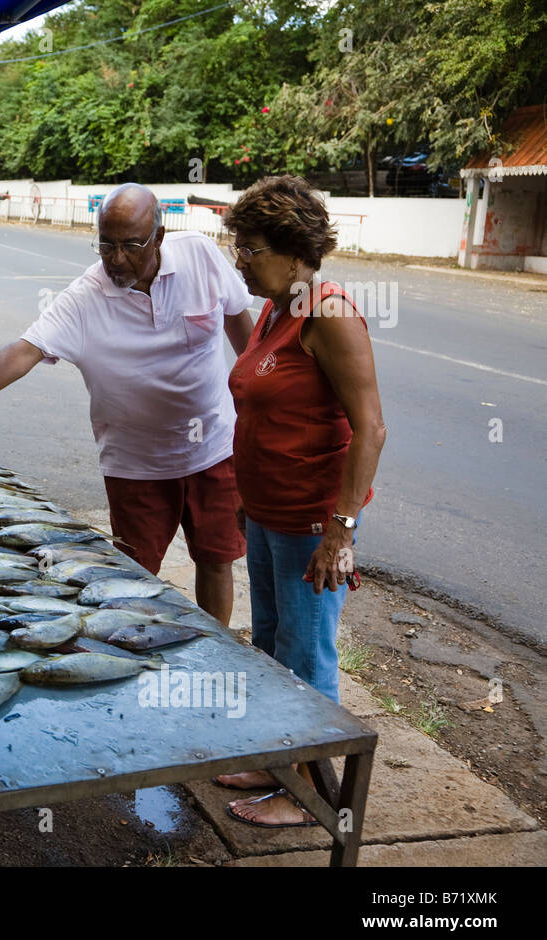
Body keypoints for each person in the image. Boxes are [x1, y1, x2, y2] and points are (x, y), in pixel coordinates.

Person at [0, 183, 254, 626]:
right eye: (105, 244)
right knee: (132, 575)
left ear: (159, 236)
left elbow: (237, 318)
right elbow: (24, 351)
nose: (116, 259)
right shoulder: (84, 297)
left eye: (130, 245)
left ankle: (219, 654)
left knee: (215, 559)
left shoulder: (200, 255)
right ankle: (135, 654)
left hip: (213, 445)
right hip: (135, 464)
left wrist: (256, 392)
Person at [218, 174, 386, 827]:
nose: (241, 260)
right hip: (266, 513)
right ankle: (278, 760)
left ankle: (312, 794)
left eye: (251, 248)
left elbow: (369, 427)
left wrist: (341, 531)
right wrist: (245, 497)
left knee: (308, 654)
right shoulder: (276, 307)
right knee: (270, 642)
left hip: (313, 523)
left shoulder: (330, 312)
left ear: (294, 250)